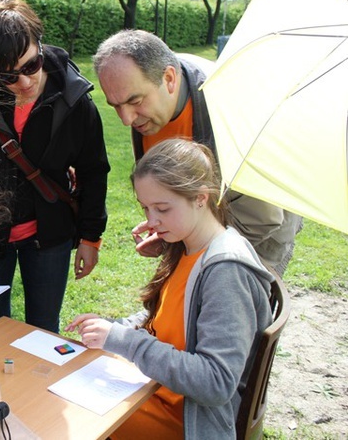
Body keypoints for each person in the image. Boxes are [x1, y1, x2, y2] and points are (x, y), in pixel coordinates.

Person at [67, 138, 275, 440]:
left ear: (201, 198)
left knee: (68, 417)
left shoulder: (226, 272)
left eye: (162, 208)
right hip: (156, 392)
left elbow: (215, 382)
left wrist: (125, 342)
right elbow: (169, 317)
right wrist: (116, 328)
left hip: (187, 421)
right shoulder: (186, 244)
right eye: (146, 207)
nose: (151, 221)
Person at [93, 29, 301, 275]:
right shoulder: (148, 89)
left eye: (135, 102)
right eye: (116, 106)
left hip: (256, 239)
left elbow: (262, 218)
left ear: (170, 79)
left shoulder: (229, 109)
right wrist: (168, 228)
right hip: (199, 239)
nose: (126, 119)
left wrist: (196, 249)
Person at [0, 0, 110, 334]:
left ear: (40, 45)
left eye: (32, 65)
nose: (25, 82)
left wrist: (91, 237)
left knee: (43, 329)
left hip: (49, 235)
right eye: (8, 76)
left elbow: (94, 170)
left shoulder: (75, 100)